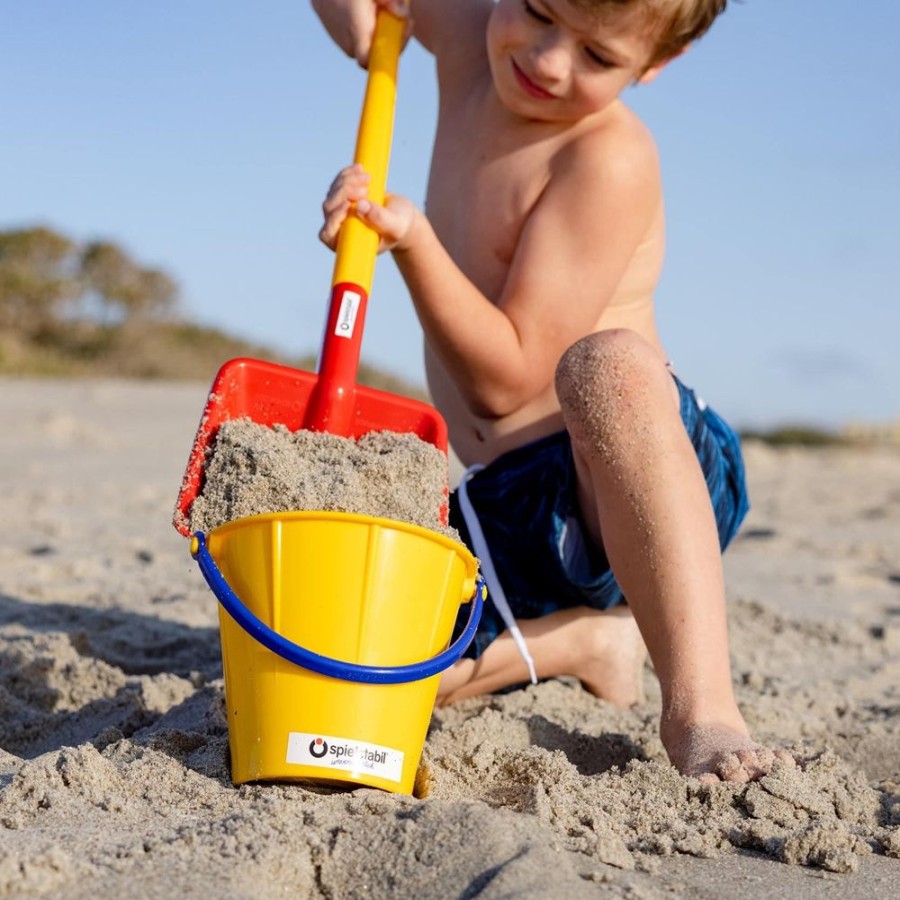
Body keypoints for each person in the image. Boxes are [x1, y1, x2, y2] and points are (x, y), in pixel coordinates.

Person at [312, 0, 793, 784]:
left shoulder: (605, 158)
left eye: (599, 57)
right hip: (507, 502)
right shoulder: (471, 37)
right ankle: (583, 641)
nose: (549, 60)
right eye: (537, 11)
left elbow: (505, 385)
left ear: (652, 66)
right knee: (339, 673)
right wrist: (359, 23)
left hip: (629, 480)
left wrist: (412, 241)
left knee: (604, 367)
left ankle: (703, 710)